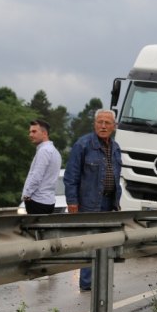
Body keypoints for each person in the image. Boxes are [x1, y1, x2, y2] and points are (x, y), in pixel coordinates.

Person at [64, 109, 122, 291]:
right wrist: (72, 202)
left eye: (107, 123)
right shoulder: (83, 145)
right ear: (94, 124)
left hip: (109, 203)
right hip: (89, 203)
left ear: (114, 126)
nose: (103, 126)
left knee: (105, 244)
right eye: (100, 122)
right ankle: (88, 283)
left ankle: (101, 280)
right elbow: (71, 176)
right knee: (90, 243)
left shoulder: (116, 147)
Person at [22, 119, 62, 214]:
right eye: (30, 132)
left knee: (33, 229)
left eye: (34, 131)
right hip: (48, 201)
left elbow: (36, 177)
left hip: (37, 201)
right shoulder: (54, 151)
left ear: (44, 134)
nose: (30, 135)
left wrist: (26, 196)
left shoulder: (44, 151)